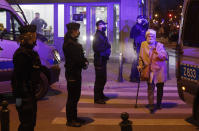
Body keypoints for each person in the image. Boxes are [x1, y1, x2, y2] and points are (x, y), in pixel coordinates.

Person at [11, 25, 41, 131]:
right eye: (34, 36)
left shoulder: (30, 53)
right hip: (24, 95)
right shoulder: (22, 54)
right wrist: (20, 101)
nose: (36, 38)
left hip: (29, 94)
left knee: (30, 122)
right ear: (29, 37)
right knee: (26, 123)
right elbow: (18, 79)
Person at [63, 22, 89, 127]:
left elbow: (80, 57)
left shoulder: (73, 43)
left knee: (75, 97)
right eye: (77, 30)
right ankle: (70, 120)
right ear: (72, 31)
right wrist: (84, 63)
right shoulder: (71, 44)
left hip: (75, 73)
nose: (78, 32)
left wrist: (84, 61)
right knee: (72, 98)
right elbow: (77, 59)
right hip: (72, 73)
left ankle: (74, 117)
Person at [138, 29, 168, 114]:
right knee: (150, 88)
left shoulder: (160, 45)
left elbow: (165, 56)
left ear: (154, 37)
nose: (150, 37)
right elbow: (140, 57)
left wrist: (157, 53)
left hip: (159, 70)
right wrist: (140, 65)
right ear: (146, 37)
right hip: (149, 70)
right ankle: (151, 105)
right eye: (148, 36)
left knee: (160, 88)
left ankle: (159, 103)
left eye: (152, 36)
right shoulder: (143, 45)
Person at [93, 20, 111, 104]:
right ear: (99, 26)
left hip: (103, 59)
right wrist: (106, 46)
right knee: (99, 79)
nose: (105, 26)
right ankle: (97, 98)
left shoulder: (102, 34)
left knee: (103, 79)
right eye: (103, 25)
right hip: (99, 60)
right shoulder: (97, 35)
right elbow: (96, 48)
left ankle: (101, 94)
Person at [129, 15, 149, 82]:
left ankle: (138, 76)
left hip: (142, 45)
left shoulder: (143, 26)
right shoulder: (135, 27)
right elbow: (131, 35)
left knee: (140, 61)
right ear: (137, 20)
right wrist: (138, 31)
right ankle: (133, 77)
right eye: (140, 19)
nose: (141, 20)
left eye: (142, 19)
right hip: (137, 45)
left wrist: (146, 23)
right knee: (136, 61)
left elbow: (146, 30)